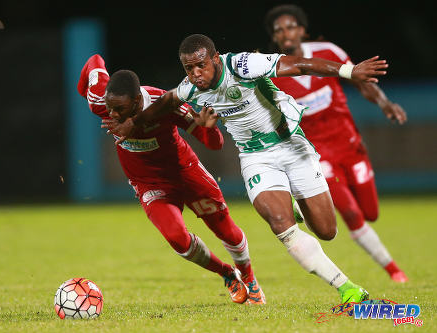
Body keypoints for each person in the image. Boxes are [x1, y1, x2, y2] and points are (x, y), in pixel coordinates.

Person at [104, 33, 391, 304]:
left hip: (292, 146)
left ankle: (297, 207)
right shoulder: (190, 88)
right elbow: (166, 102)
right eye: (188, 68)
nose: (195, 75)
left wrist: (348, 71)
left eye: (200, 66)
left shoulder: (242, 65)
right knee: (281, 226)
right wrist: (134, 123)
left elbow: (298, 65)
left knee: (327, 231)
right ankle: (347, 289)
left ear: (215, 58)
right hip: (256, 158)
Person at [77, 54, 266, 305]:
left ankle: (250, 278)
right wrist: (83, 88)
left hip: (185, 173)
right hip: (149, 183)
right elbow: (94, 61)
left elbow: (214, 144)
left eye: (119, 109)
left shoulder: (166, 104)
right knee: (178, 239)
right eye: (109, 108)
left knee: (225, 230)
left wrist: (209, 127)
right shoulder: (101, 100)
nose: (111, 113)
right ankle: (227, 273)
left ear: (136, 101)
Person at [264, 4, 408, 282]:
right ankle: (394, 270)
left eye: (291, 26)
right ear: (274, 37)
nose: (286, 33)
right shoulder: (274, 71)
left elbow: (362, 81)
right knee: (352, 214)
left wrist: (385, 103)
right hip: (318, 156)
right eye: (278, 30)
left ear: (302, 30)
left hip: (350, 145)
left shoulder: (328, 52)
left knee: (371, 213)